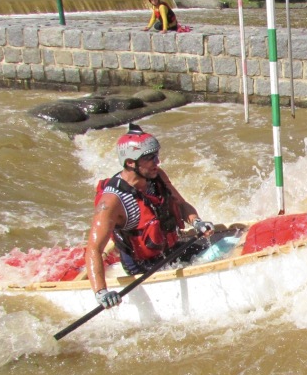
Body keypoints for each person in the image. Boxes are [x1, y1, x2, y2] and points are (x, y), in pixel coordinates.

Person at [85, 123, 212, 309]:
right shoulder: (112, 202)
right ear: (130, 162)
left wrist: (197, 222)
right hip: (141, 266)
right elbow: (93, 250)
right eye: (150, 158)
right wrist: (101, 292)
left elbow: (181, 204)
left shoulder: (156, 176)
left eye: (156, 156)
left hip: (169, 249)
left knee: (219, 249)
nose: (157, 162)